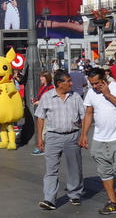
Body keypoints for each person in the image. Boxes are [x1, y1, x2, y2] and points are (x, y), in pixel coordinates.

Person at [79, 67, 116, 215]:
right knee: (104, 172)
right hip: (99, 137)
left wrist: (108, 95)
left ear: (104, 78)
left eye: (97, 83)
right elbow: (89, 113)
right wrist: (84, 134)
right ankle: (113, 202)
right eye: (91, 84)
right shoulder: (91, 93)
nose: (94, 87)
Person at [35, 71, 85, 210]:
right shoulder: (47, 97)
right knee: (51, 169)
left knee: (75, 167)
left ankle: (75, 193)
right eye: (68, 81)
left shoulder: (75, 97)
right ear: (59, 83)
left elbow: (84, 115)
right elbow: (40, 117)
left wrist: (83, 134)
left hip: (72, 135)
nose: (71, 83)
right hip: (53, 136)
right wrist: (40, 138)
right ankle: (49, 199)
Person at [30, 72, 55, 155]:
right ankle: (42, 147)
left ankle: (42, 148)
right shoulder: (42, 87)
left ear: (47, 78)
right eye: (41, 77)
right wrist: (35, 100)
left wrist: (39, 102)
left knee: (44, 130)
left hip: (48, 112)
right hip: (42, 111)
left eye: (42, 77)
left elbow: (50, 100)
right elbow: (41, 97)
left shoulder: (51, 87)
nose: (41, 78)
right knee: (41, 129)